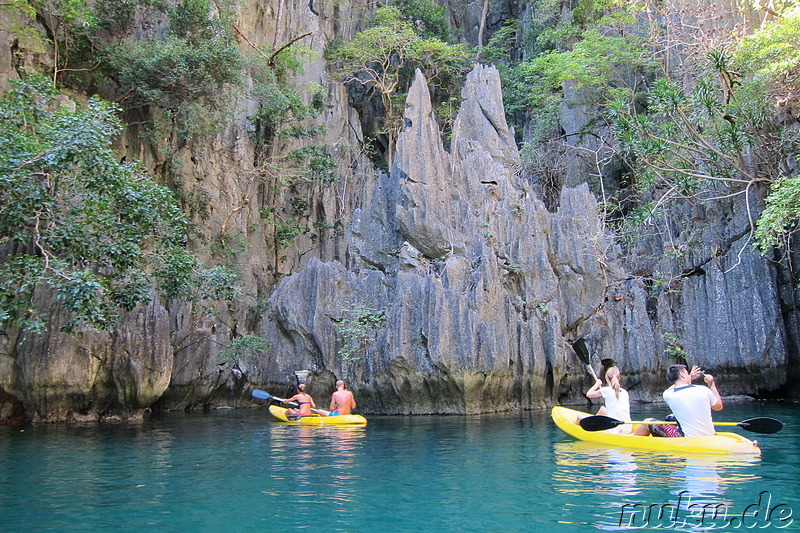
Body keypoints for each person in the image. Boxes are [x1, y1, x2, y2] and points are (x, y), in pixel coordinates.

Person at [636, 364, 723, 437]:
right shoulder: (704, 390)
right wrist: (711, 384)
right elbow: (719, 407)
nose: (689, 375)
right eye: (687, 373)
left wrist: (689, 378)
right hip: (709, 434)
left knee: (647, 422)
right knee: (670, 418)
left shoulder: (668, 395)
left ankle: (633, 439)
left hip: (687, 437)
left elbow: (675, 388)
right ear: (682, 374)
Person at [584, 366, 631, 434]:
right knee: (603, 409)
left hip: (615, 429)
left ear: (606, 377)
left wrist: (597, 384)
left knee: (579, 418)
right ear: (619, 378)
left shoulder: (606, 390)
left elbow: (588, 394)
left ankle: (591, 426)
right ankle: (594, 422)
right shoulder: (625, 392)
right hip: (628, 428)